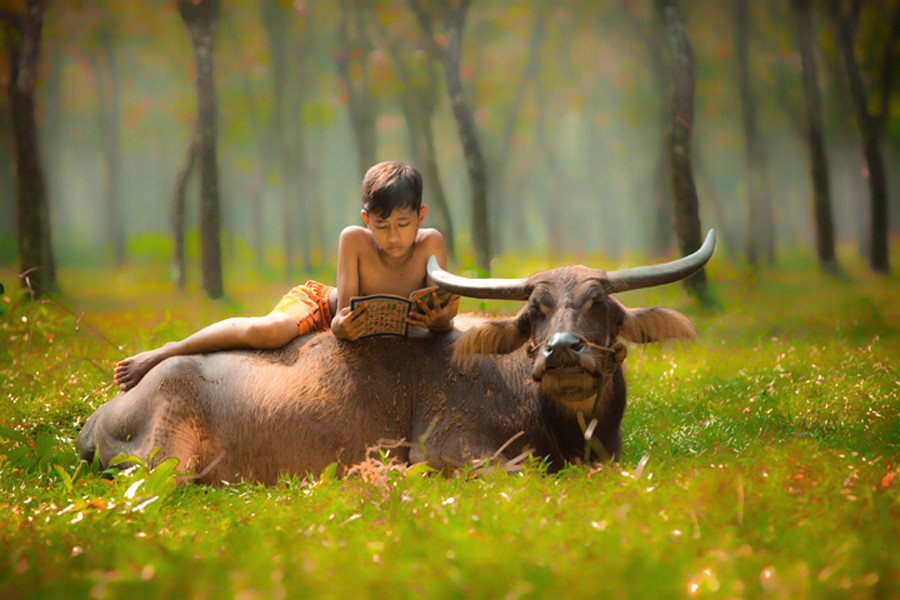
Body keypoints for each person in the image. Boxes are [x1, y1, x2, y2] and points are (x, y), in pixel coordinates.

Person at [113, 160, 459, 392]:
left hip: (391, 325)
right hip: (321, 305)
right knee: (270, 331)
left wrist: (441, 322)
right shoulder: (353, 238)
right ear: (368, 221)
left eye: (403, 224)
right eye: (382, 226)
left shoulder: (431, 243)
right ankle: (169, 351)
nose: (394, 236)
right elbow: (344, 313)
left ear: (421, 215)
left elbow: (438, 314)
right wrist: (340, 327)